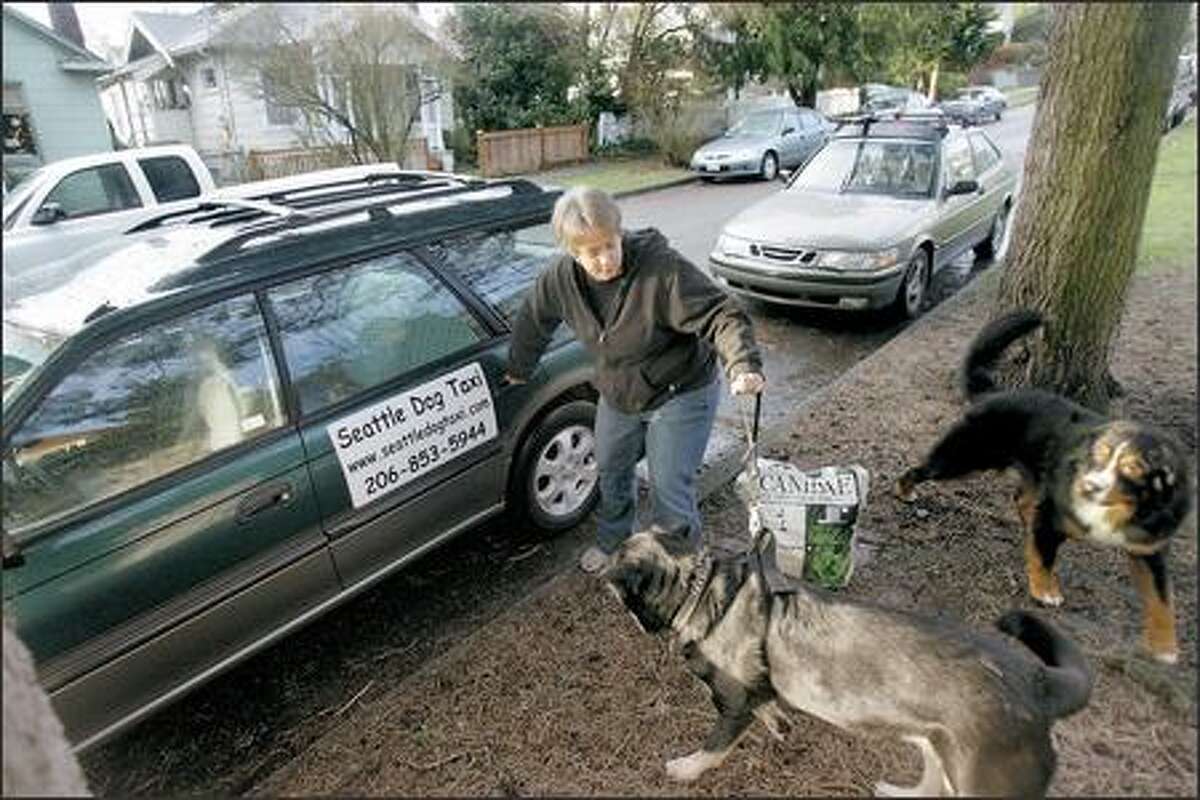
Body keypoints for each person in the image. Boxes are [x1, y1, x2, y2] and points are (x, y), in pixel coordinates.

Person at [506, 186, 765, 573]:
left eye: (611, 244)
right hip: (619, 392)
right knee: (610, 470)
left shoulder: (661, 269)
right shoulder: (560, 280)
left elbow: (720, 313)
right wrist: (518, 367)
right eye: (593, 252)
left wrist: (742, 364)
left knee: (669, 489)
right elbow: (533, 318)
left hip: (680, 391)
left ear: (619, 232)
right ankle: (614, 544)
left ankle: (679, 569)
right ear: (572, 251)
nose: (607, 259)